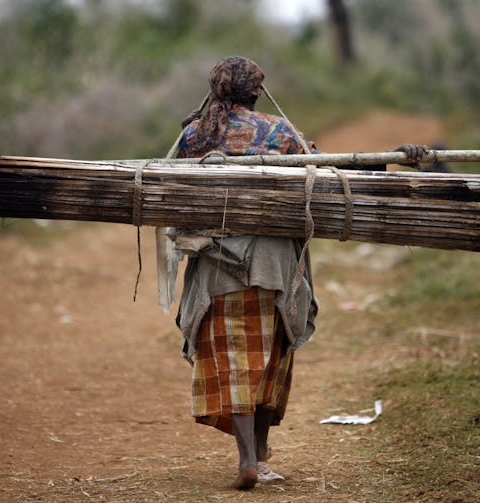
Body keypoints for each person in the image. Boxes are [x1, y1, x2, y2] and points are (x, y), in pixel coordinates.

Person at [174, 56, 426, 490]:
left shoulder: (193, 135)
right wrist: (398, 158)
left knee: (234, 363)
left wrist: (187, 129)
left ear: (214, 90)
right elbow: (331, 168)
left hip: (215, 270)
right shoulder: (280, 131)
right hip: (273, 267)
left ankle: (247, 459)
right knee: (267, 361)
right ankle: (261, 459)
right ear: (255, 91)